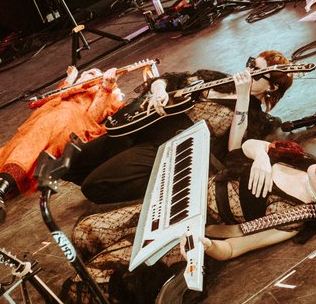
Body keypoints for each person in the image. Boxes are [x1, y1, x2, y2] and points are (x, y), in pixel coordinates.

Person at [64, 136, 316, 304]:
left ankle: (167, 276)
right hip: (182, 194)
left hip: (192, 226)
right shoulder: (302, 157)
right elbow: (250, 144)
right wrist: (263, 158)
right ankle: (131, 259)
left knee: (92, 282)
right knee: (86, 231)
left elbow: (233, 247)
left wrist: (204, 244)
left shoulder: (297, 215)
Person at [62, 53, 294, 205]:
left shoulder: (257, 117)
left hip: (165, 148)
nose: (249, 71)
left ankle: (164, 189)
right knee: (71, 165)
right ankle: (117, 169)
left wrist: (243, 96)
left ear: (271, 87)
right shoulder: (215, 78)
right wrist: (160, 90)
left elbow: (234, 150)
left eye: (257, 71)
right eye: (251, 64)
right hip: (144, 125)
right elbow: (169, 78)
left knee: (94, 187)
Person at [0, 65, 128, 223]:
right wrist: (70, 80)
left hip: (70, 122)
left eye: (94, 74)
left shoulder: (104, 91)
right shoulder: (67, 91)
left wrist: (105, 88)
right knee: (10, 153)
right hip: (44, 122)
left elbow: (93, 117)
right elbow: (44, 100)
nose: (89, 76)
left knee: (31, 148)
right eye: (86, 73)